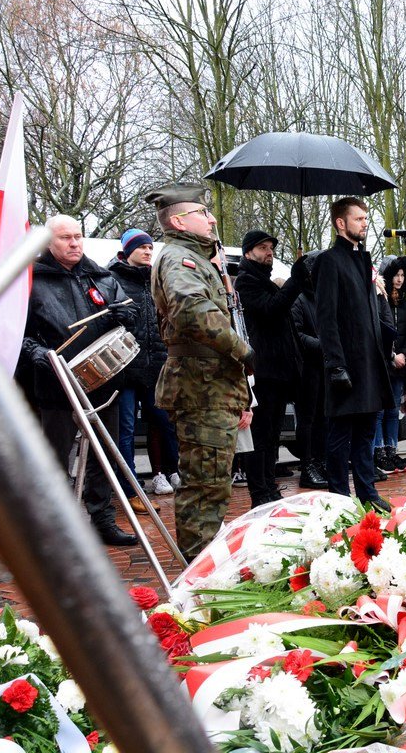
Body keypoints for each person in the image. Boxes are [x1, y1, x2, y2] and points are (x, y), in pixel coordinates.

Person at [18, 215, 138, 546]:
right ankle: (55, 529)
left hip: (105, 381)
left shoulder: (101, 276)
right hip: (56, 384)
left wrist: (126, 316)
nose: (74, 243)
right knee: (55, 459)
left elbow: (130, 316)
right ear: (48, 243)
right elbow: (15, 332)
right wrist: (36, 353)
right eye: (65, 238)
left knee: (105, 456)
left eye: (78, 236)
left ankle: (103, 521)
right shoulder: (30, 281)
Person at [148, 183, 252, 560]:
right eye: (202, 213)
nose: (212, 220)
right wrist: (242, 350)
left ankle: (204, 562)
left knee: (213, 483)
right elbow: (191, 309)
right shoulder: (179, 258)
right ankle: (199, 570)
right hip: (200, 387)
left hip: (211, 385)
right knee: (204, 486)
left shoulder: (197, 258)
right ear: (179, 221)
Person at [313, 196, 394, 511]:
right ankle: (338, 497)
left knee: (366, 433)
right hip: (345, 363)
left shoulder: (363, 261)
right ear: (340, 222)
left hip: (370, 362)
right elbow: (326, 318)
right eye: (358, 218)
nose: (365, 223)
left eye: (365, 218)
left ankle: (367, 493)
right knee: (340, 435)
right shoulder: (329, 261)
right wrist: (335, 364)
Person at [234, 229, 307, 508]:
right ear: (248, 252)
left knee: (273, 433)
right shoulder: (246, 282)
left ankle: (268, 485)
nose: (269, 253)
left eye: (271, 248)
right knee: (261, 435)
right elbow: (271, 309)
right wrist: (295, 281)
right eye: (263, 248)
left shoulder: (264, 281)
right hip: (263, 371)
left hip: (278, 371)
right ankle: (259, 490)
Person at [108, 228, 179, 511]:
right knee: (125, 430)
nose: (148, 251)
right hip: (125, 367)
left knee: (166, 422)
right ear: (127, 251)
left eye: (150, 247)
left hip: (156, 365)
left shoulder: (157, 280)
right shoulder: (111, 279)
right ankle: (131, 489)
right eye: (142, 247)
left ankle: (173, 471)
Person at [373, 255, 406, 474]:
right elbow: (379, 330)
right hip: (383, 363)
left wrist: (404, 354)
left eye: (402, 275)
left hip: (400, 364)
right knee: (379, 410)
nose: (399, 279)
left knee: (392, 410)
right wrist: (391, 356)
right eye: (395, 275)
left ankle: (391, 449)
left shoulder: (405, 303)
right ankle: (378, 451)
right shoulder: (379, 298)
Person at [291, 251, 329, 489]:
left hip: (325, 368)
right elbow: (296, 333)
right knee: (308, 419)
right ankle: (307, 466)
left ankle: (320, 461)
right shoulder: (299, 299)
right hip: (307, 368)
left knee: (323, 418)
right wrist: (322, 345)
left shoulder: (324, 297)